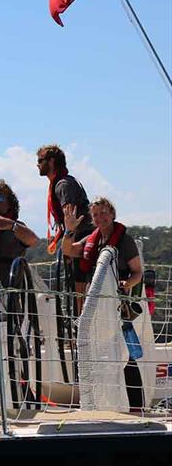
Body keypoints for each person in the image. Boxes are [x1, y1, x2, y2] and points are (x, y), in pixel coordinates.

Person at [62, 197, 144, 411]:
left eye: (104, 213)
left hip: (117, 305)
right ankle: (99, 402)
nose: (100, 218)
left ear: (112, 213)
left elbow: (138, 272)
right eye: (96, 214)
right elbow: (68, 251)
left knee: (126, 355)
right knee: (96, 351)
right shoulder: (92, 239)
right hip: (94, 305)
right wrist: (69, 230)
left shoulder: (125, 241)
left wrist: (126, 284)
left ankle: (136, 406)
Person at [37, 144, 95, 296]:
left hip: (81, 237)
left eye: (40, 160)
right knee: (77, 286)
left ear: (51, 162)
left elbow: (70, 216)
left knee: (78, 288)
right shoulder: (65, 181)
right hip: (82, 235)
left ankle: (79, 317)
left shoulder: (63, 184)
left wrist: (69, 246)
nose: (37, 164)